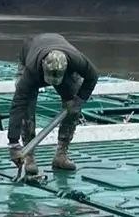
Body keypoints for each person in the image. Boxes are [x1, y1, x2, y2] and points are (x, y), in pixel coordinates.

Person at [7, 34, 99, 175]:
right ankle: (29, 156)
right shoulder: (31, 71)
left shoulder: (77, 60)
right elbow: (18, 103)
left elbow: (92, 77)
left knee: (73, 106)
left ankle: (61, 155)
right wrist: (13, 143)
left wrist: (79, 100)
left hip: (64, 67)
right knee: (27, 108)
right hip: (31, 56)